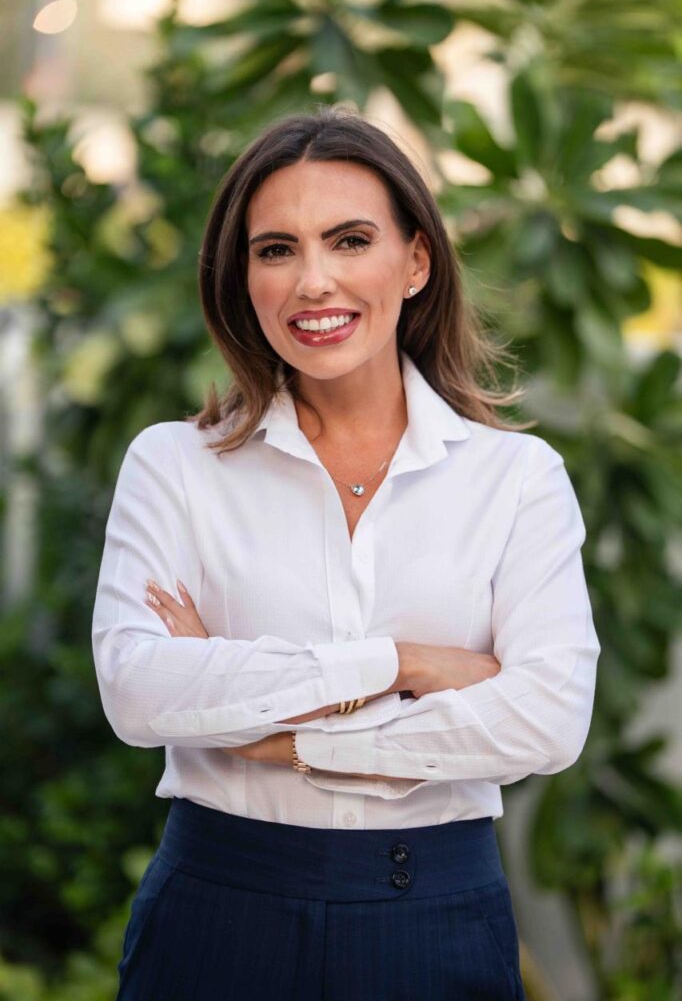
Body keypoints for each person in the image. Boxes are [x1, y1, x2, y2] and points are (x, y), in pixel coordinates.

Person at [91, 104, 600, 1001]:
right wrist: (403, 664)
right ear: (243, 277)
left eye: (350, 240)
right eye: (276, 249)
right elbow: (140, 691)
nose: (313, 281)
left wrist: (288, 742)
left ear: (416, 261)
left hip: (434, 920)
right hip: (218, 911)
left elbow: (546, 722)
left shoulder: (516, 479)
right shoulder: (175, 465)